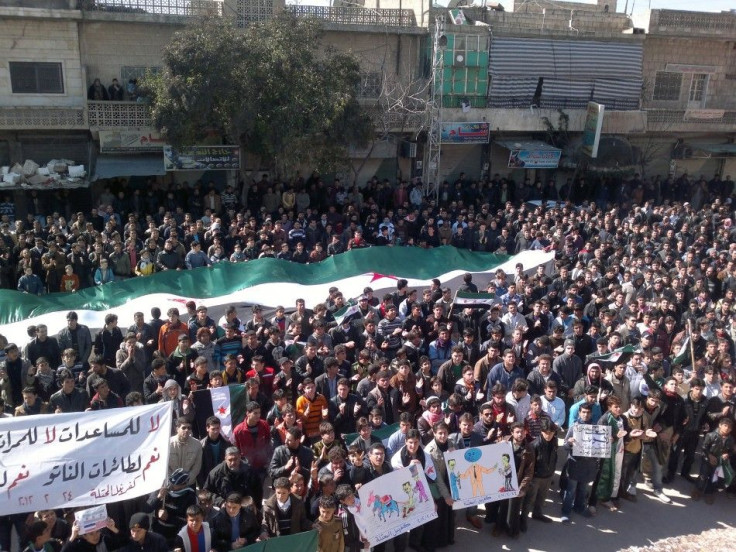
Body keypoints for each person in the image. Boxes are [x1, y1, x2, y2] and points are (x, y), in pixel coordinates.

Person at [561, 402, 599, 523]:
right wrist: (569, 443)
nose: (586, 415)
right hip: (575, 463)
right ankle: (566, 511)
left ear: (591, 413)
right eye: (583, 412)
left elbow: (599, 447)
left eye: (588, 412)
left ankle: (579, 507)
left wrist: (606, 441)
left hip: (588, 464)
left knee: (583, 489)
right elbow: (564, 446)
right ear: (579, 413)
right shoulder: (574, 427)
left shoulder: (595, 427)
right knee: (571, 489)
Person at [520, 418, 557, 529]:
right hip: (536, 477)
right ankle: (523, 520)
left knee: (542, 497)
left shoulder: (554, 442)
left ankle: (537, 514)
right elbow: (529, 464)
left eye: (551, 433)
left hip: (548, 475)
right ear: (541, 431)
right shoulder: (534, 445)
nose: (549, 435)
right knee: (529, 499)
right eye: (546, 433)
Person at [691, 417, 734, 504]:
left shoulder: (731, 439)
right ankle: (697, 490)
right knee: (703, 475)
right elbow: (704, 447)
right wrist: (710, 456)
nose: (727, 428)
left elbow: (731, 451)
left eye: (729, 427)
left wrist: (727, 454)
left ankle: (709, 493)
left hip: (719, 462)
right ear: (720, 425)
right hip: (707, 460)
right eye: (725, 425)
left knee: (714, 478)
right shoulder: (711, 435)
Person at [168, 418, 202, 488]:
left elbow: (197, 467)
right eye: (183, 428)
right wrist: (172, 483)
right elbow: (165, 467)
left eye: (189, 428)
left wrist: (185, 483)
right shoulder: (168, 444)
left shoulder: (197, 444)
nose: (186, 430)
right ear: (177, 429)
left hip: (189, 484)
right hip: (171, 485)